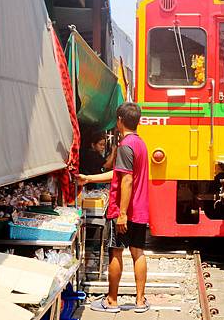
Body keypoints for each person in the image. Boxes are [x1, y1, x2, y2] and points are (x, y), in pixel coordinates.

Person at [77, 102, 150, 313]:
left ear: (119, 120)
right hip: (139, 209)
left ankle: (112, 301)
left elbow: (126, 180)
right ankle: (140, 300)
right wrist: (89, 179)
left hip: (123, 211)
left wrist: (122, 214)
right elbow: (118, 174)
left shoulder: (126, 146)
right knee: (138, 253)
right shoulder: (140, 144)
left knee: (115, 252)